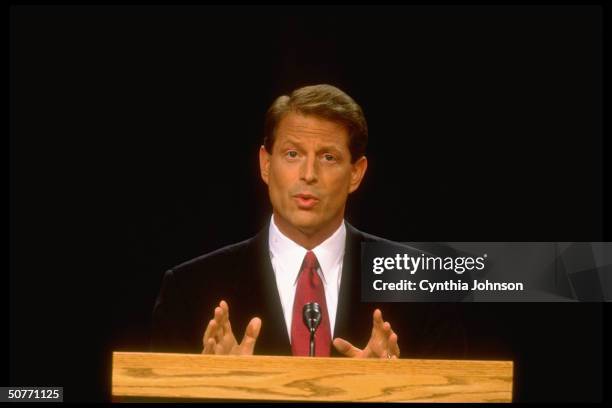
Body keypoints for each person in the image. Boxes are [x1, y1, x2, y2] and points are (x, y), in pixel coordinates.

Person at [151, 84, 466, 358]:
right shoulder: (190, 289)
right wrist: (217, 385)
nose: (308, 174)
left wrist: (390, 388)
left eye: (328, 157)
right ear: (265, 163)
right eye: (292, 154)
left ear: (356, 173)